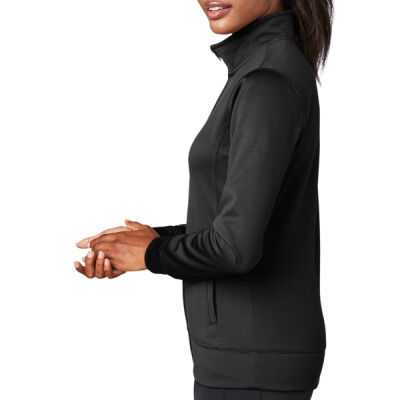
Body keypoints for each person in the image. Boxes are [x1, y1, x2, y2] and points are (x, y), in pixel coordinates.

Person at [74, 0, 334, 399]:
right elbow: (244, 220)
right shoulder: (261, 71)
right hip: (249, 359)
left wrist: (152, 254)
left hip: (251, 366)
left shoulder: (266, 81)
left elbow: (235, 248)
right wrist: (146, 242)